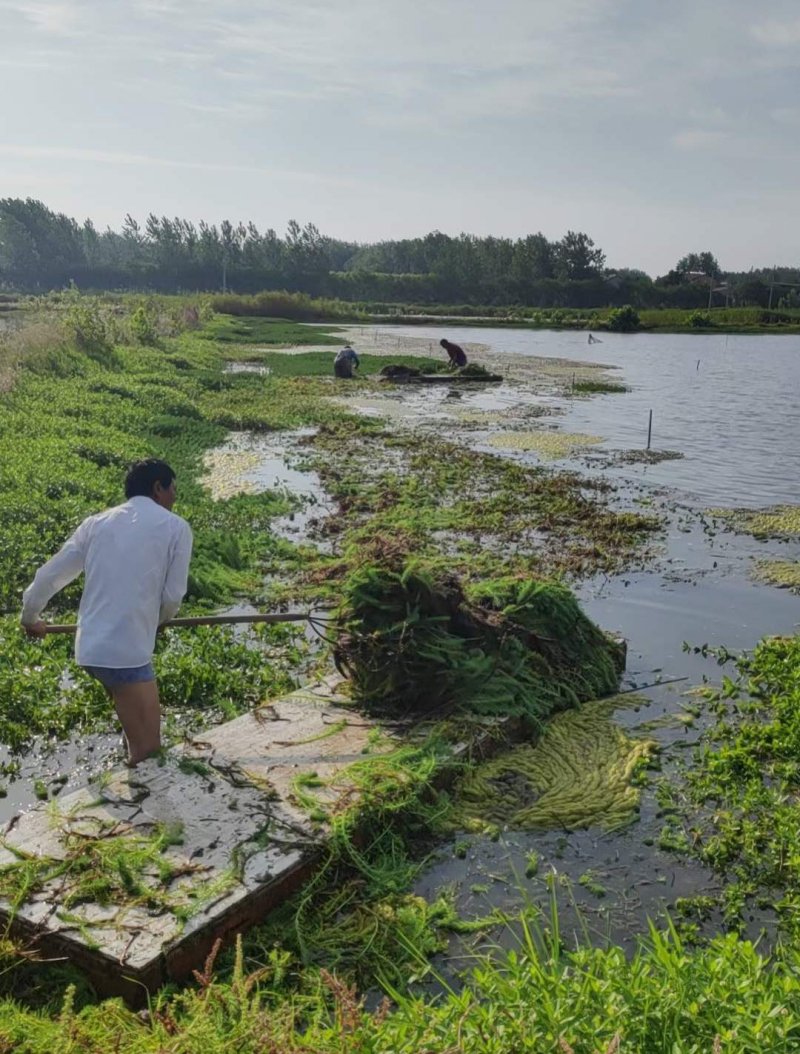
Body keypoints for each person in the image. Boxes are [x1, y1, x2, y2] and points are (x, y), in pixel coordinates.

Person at [21, 458, 193, 766]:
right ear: (158, 488)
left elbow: (51, 575)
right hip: (125, 655)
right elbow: (172, 596)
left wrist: (30, 617)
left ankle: (128, 760)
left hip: (91, 650)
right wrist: (160, 621)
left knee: (134, 726)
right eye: (172, 489)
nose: (174, 497)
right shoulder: (176, 528)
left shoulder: (96, 523)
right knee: (149, 753)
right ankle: (138, 803)